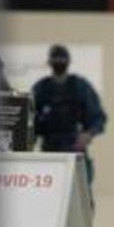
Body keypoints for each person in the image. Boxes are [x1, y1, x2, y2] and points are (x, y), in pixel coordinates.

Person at [31, 44, 106, 183]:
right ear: (49, 63)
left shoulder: (80, 86)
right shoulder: (41, 88)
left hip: (75, 148)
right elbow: (31, 121)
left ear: (68, 62)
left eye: (62, 60)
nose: (59, 63)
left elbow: (98, 118)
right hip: (49, 151)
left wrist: (88, 134)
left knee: (80, 196)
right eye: (56, 59)